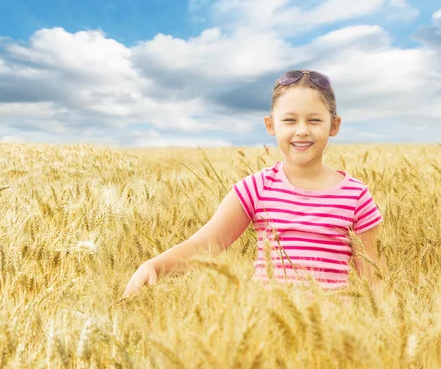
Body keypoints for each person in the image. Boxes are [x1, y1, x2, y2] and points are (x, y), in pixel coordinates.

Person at [122, 70, 386, 298]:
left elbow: (374, 278)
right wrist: (154, 266)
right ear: (270, 125)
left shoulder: (356, 196)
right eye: (290, 120)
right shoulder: (257, 188)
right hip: (266, 333)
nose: (302, 130)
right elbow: (204, 245)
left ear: (334, 125)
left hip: (333, 336)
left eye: (314, 120)